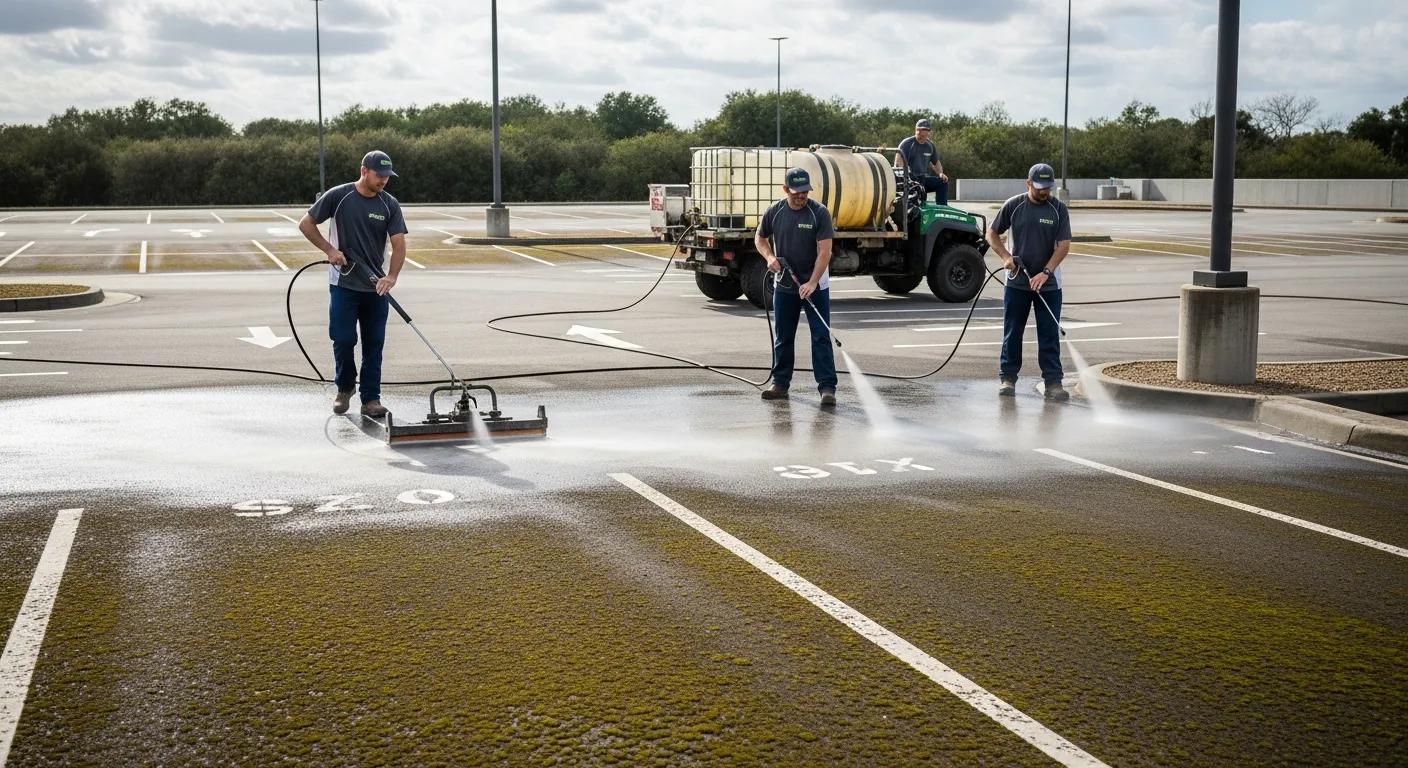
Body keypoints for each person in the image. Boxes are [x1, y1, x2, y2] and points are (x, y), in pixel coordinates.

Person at [298, 150, 408, 417]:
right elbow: (306, 223)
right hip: (343, 284)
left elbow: (398, 243)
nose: (383, 180)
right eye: (379, 175)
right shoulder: (339, 196)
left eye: (387, 176)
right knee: (343, 338)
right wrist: (329, 250)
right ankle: (345, 388)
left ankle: (371, 398)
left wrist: (391, 277)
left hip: (375, 287)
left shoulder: (389, 204)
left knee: (374, 344)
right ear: (364, 171)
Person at [986, 162, 1072, 401]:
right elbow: (991, 233)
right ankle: (1008, 379)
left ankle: (1053, 383)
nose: (1045, 192)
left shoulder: (1058, 209)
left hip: (1049, 285)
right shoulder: (1013, 206)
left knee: (1049, 334)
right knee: (1013, 332)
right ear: (1028, 184)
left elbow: (1064, 245)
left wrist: (1046, 272)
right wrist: (1005, 257)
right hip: (1017, 283)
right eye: (1040, 187)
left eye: (1048, 187)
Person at [755, 167, 838, 407]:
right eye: (796, 192)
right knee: (784, 335)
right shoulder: (775, 211)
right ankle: (780, 383)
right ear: (785, 190)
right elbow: (759, 238)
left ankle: (827, 388)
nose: (801, 196)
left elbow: (825, 252)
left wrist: (812, 282)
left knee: (821, 336)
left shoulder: (819, 213)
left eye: (804, 191)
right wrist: (770, 257)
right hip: (785, 285)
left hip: (815, 286)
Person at [894, 118, 948, 205]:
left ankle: (942, 209)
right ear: (915, 130)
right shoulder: (907, 144)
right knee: (918, 195)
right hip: (908, 180)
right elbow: (898, 164)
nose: (920, 132)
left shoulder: (930, 145)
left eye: (923, 130)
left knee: (942, 183)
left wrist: (940, 173)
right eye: (918, 130)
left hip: (922, 179)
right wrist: (907, 178)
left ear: (928, 132)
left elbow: (936, 162)